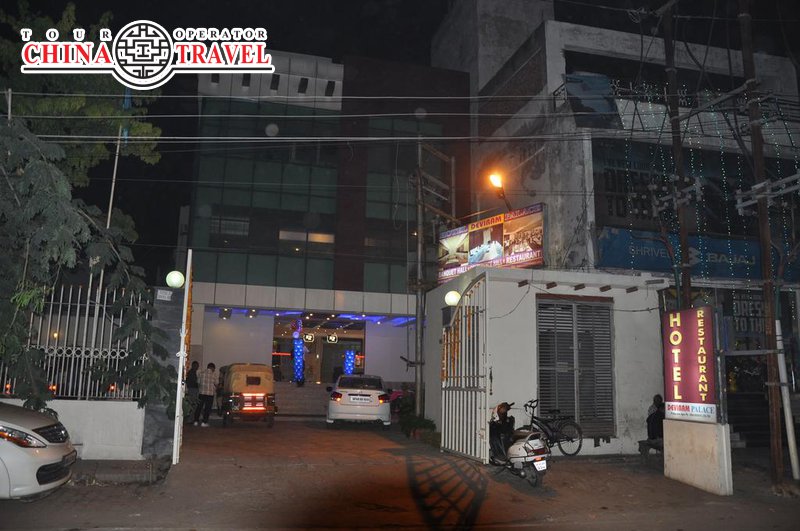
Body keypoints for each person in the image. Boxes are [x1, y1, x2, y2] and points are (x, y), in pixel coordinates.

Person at [194, 362, 217, 427]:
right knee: (207, 408)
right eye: (214, 369)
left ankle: (196, 421)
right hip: (210, 394)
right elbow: (216, 383)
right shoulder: (214, 375)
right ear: (212, 368)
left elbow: (198, 382)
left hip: (201, 393)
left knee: (199, 407)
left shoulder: (201, 373)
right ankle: (204, 422)